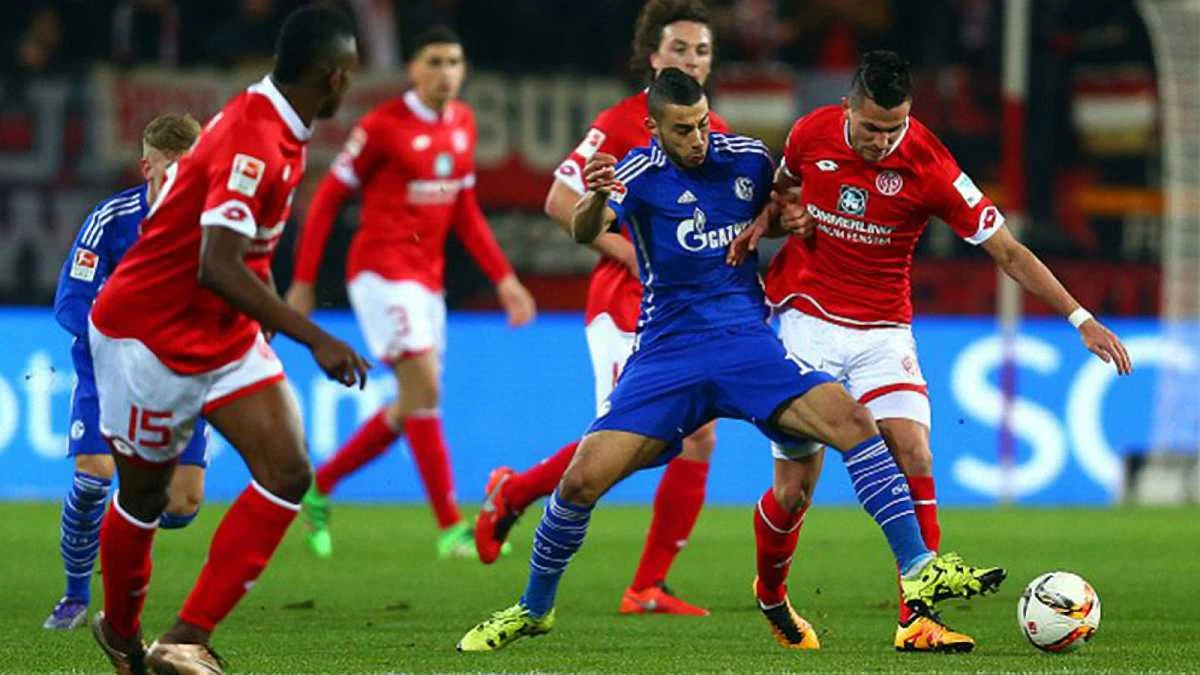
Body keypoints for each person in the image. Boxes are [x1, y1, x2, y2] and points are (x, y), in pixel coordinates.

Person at [457, 67, 1005, 653]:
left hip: (747, 344)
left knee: (853, 422)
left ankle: (918, 568)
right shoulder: (636, 173)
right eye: (683, 130)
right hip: (667, 353)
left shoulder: (746, 158)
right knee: (579, 483)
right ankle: (533, 608)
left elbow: (782, 203)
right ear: (654, 129)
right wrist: (593, 196)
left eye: (702, 124)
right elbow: (584, 228)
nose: (698, 139)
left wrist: (791, 218)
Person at [728, 50, 1132, 652]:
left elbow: (1009, 251)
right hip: (803, 317)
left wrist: (1080, 318)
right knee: (794, 490)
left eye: (894, 128)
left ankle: (917, 620)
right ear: (847, 108)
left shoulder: (930, 164)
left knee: (914, 449)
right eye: (871, 128)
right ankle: (771, 592)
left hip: (883, 329)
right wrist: (780, 218)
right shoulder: (810, 133)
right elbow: (783, 197)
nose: (882, 141)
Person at [86, 6, 365, 673]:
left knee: (288, 470)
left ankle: (185, 638)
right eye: (351, 71)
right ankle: (120, 632)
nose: (352, 82)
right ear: (333, 76)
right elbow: (218, 263)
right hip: (149, 335)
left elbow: (246, 251)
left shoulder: (280, 126)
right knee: (146, 495)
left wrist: (266, 310)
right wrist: (313, 337)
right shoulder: (255, 138)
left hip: (221, 327)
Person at [474, 0, 723, 617]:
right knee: (632, 439)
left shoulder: (709, 130)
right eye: (680, 48)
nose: (691, 60)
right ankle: (513, 493)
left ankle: (647, 587)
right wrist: (630, 253)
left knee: (698, 436)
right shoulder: (621, 122)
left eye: (701, 50)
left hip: (684, 308)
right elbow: (560, 199)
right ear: (653, 57)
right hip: (625, 301)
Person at [287, 25, 537, 560]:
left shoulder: (463, 124)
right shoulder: (382, 126)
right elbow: (327, 199)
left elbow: (464, 211)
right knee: (424, 387)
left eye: (454, 62)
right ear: (413, 69)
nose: (446, 73)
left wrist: (505, 279)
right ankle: (451, 529)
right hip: (380, 273)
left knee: (411, 405)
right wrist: (304, 282)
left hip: (427, 281)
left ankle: (319, 486)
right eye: (435, 61)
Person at [43, 113, 205, 631]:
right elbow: (71, 300)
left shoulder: (216, 223)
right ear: (146, 167)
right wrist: (119, 339)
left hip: (179, 373)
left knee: (181, 506)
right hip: (108, 366)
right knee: (94, 473)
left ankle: (121, 522)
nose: (179, 178)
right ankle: (74, 594)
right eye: (168, 167)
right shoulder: (112, 218)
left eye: (189, 168)